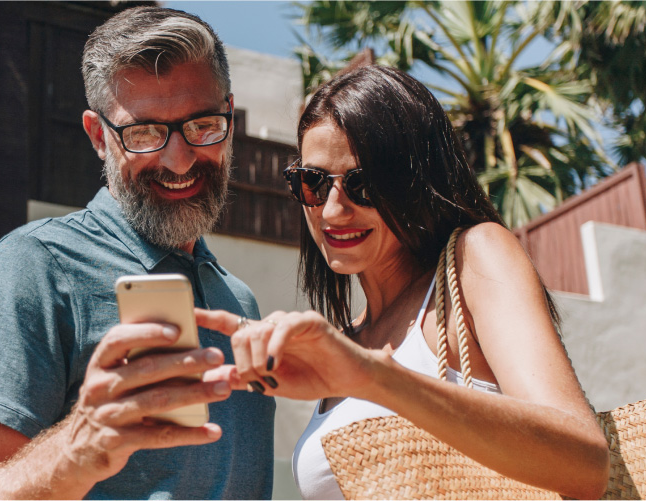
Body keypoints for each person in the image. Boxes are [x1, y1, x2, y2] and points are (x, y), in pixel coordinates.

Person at [196, 65, 610, 499]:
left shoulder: (474, 259)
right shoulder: (346, 341)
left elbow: (585, 463)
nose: (334, 211)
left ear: (419, 181)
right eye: (313, 182)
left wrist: (374, 377)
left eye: (364, 185)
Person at [0, 7, 274, 500]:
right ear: (99, 136)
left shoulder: (239, 302)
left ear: (228, 113)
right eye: (144, 133)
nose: (179, 159)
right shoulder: (37, 266)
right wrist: (78, 448)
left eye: (202, 125)